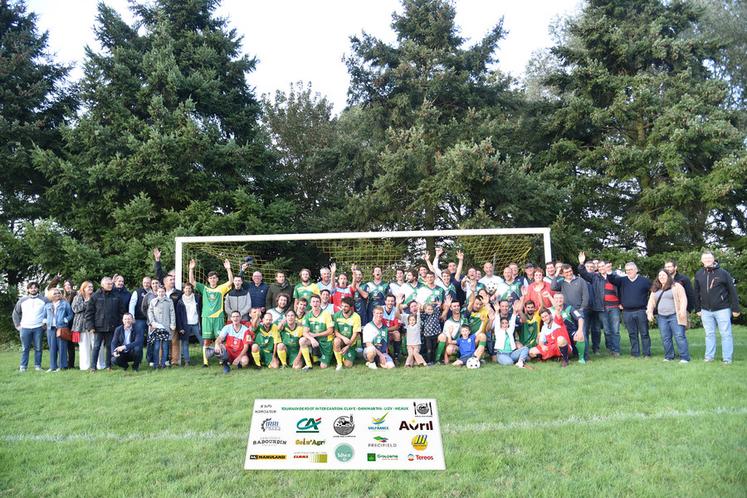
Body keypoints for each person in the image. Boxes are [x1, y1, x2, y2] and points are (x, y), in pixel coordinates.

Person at [694, 252, 741, 364]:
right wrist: (698, 309)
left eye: (709, 258)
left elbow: (732, 291)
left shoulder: (723, 273)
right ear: (702, 260)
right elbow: (696, 292)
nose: (707, 260)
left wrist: (736, 308)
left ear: (714, 259)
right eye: (705, 258)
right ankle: (709, 357)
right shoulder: (699, 274)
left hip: (722, 309)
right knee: (709, 334)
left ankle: (727, 359)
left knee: (726, 334)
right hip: (705, 310)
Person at [188, 258, 233, 367]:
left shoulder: (221, 288)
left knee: (220, 340)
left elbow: (231, 281)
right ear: (208, 280)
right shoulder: (204, 289)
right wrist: (191, 269)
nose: (213, 279)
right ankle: (205, 362)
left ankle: (221, 359)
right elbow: (192, 282)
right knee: (206, 341)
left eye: (214, 278)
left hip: (218, 318)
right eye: (211, 278)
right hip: (206, 318)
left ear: (217, 279)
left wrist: (228, 269)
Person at [607, 262, 652, 358]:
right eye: (627, 270)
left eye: (631, 269)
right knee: (632, 334)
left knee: (644, 333)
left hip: (641, 311)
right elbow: (611, 280)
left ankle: (646, 353)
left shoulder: (645, 281)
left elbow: (653, 293)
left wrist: (650, 307)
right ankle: (635, 353)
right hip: (627, 312)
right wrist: (609, 271)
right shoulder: (622, 280)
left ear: (636, 270)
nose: (629, 272)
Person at [646, 270, 690, 363]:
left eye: (664, 275)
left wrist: (682, 310)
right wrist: (649, 312)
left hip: (675, 316)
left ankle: (684, 357)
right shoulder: (656, 288)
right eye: (660, 275)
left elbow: (683, 299)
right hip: (662, 317)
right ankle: (669, 356)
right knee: (665, 337)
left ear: (668, 276)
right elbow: (651, 302)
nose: (661, 277)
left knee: (679, 336)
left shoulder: (676, 286)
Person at [86, 276, 126, 371]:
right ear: (102, 285)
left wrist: (120, 325)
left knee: (109, 347)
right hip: (98, 326)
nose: (110, 285)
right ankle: (93, 367)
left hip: (112, 326)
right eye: (108, 284)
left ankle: (109, 366)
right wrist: (91, 326)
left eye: (111, 284)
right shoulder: (95, 296)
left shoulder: (116, 296)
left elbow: (122, 312)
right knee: (96, 346)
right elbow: (89, 313)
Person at [13, 282, 49, 371]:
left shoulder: (44, 300)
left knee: (38, 348)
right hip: (25, 327)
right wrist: (17, 325)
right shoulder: (22, 300)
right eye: (31, 288)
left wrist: (45, 324)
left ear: (38, 289)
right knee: (25, 348)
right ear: (28, 289)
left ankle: (38, 366)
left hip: (38, 327)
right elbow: (15, 313)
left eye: (35, 287)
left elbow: (50, 312)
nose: (33, 289)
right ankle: (23, 367)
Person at [577, 252, 607, 355]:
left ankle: (596, 348)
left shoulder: (597, 278)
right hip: (585, 308)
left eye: (591, 267)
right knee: (584, 329)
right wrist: (581, 263)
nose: (590, 268)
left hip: (596, 308)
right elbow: (581, 271)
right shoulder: (580, 279)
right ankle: (585, 350)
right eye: (587, 266)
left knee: (596, 329)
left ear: (595, 268)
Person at [72, 281, 104, 371]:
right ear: (83, 288)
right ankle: (85, 366)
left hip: (95, 324)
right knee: (84, 346)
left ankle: (99, 364)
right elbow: (75, 309)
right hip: (81, 325)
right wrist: (87, 302)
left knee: (97, 345)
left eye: (92, 287)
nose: (91, 288)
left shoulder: (96, 297)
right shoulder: (78, 297)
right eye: (88, 287)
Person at [43, 288, 74, 371]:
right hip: (51, 328)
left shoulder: (65, 304)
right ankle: (52, 366)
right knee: (52, 348)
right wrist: (45, 321)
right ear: (50, 295)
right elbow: (44, 316)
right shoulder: (47, 305)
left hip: (61, 328)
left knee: (62, 347)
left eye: (58, 293)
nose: (57, 295)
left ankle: (62, 366)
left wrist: (65, 320)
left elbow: (70, 315)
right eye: (55, 293)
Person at [301, 295, 334, 369]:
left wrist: (315, 335)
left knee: (323, 366)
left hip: (326, 342)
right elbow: (305, 332)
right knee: (302, 340)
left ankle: (321, 357)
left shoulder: (326, 314)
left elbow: (330, 331)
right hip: (315, 341)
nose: (315, 304)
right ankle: (308, 365)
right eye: (313, 301)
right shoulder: (308, 316)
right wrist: (312, 339)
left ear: (320, 303)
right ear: (310, 303)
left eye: (317, 301)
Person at [147, 285, 176, 369]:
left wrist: (172, 323)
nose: (161, 293)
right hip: (156, 327)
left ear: (165, 292)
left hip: (166, 327)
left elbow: (172, 313)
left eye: (162, 291)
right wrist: (152, 322)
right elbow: (150, 312)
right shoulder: (153, 301)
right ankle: (156, 364)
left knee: (165, 346)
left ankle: (163, 363)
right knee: (156, 346)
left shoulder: (169, 301)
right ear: (157, 292)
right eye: (159, 291)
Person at [175, 282, 203, 366]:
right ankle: (187, 361)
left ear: (192, 289)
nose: (188, 290)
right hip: (185, 325)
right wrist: (180, 328)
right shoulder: (180, 301)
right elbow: (178, 316)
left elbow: (201, 310)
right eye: (186, 288)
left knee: (202, 341)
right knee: (185, 343)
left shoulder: (197, 298)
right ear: (183, 290)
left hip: (195, 323)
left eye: (189, 288)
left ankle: (206, 358)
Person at [332, 297, 362, 370]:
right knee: (336, 341)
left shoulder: (356, 317)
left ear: (351, 307)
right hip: (341, 340)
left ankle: (348, 354)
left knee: (348, 365)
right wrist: (343, 338)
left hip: (351, 342)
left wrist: (348, 346)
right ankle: (339, 364)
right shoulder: (336, 315)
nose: (343, 308)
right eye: (342, 306)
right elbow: (335, 331)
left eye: (346, 306)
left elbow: (356, 333)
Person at [128, 276, 152, 364]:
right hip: (139, 320)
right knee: (139, 340)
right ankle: (138, 359)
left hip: (150, 320)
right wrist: (132, 317)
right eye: (145, 282)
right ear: (142, 283)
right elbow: (132, 304)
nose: (146, 284)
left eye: (148, 282)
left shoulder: (153, 292)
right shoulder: (137, 292)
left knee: (151, 340)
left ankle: (150, 359)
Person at [436, 297, 462, 364]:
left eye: (458, 306)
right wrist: (445, 356)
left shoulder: (464, 319)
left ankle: (460, 357)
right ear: (451, 308)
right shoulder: (448, 322)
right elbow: (447, 340)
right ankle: (437, 359)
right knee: (448, 347)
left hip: (462, 343)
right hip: (452, 343)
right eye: (454, 306)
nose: (457, 307)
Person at [381, 294, 402, 363]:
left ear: (394, 302)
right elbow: (377, 324)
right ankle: (383, 354)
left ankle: (396, 356)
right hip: (381, 331)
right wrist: (385, 331)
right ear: (385, 301)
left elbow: (397, 326)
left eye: (392, 301)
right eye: (388, 301)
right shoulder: (380, 309)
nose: (390, 302)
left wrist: (387, 330)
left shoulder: (396, 310)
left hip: (391, 331)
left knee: (397, 334)